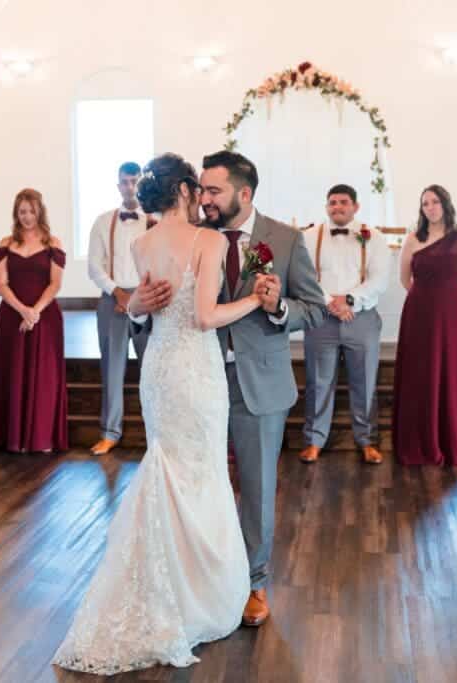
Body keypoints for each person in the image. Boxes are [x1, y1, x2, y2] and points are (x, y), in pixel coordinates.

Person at [53, 153, 271, 674]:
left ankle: (163, 586)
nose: (203, 196)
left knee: (167, 467)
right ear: (184, 192)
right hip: (196, 370)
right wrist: (255, 302)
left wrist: (134, 306)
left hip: (158, 371)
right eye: (197, 188)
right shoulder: (210, 241)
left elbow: (146, 304)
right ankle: (200, 595)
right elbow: (205, 316)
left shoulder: (141, 241)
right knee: (202, 473)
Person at [129, 150, 327, 628]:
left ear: (244, 193)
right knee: (196, 485)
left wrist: (279, 306)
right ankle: (196, 582)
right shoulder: (192, 237)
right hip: (195, 381)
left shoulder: (284, 238)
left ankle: (254, 585)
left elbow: (314, 309)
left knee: (256, 489)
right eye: (202, 190)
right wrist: (134, 307)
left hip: (257, 382)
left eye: (214, 191)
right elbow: (158, 313)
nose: (206, 199)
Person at [393, 185, 457, 467]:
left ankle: (449, 439)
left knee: (450, 372)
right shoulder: (412, 239)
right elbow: (405, 279)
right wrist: (425, 296)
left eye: (434, 202)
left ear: (445, 204)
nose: (429, 207)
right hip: (419, 313)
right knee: (420, 373)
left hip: (450, 312)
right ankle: (419, 440)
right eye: (424, 203)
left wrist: (446, 294)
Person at [299, 184, 388, 465]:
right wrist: (331, 303)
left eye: (344, 202)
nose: (338, 207)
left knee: (365, 381)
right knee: (318, 381)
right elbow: (305, 277)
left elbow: (379, 279)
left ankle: (367, 440)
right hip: (321, 317)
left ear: (356, 207)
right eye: (333, 202)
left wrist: (350, 300)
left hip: (360, 318)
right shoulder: (309, 237)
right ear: (326, 206)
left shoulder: (373, 237)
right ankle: (314, 440)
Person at [0, 188, 67, 453]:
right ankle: (14, 438)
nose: (27, 217)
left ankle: (40, 437)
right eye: (22, 211)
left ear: (39, 211)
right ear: (16, 213)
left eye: (31, 211)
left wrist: (35, 311)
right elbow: (1, 284)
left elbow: (55, 284)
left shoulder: (52, 243)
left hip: (45, 318)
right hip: (12, 317)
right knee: (12, 374)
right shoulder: (5, 243)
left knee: (44, 377)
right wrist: (23, 310)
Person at [87, 162, 153, 456]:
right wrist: (116, 292)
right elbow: (94, 266)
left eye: (135, 181)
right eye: (125, 182)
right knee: (111, 369)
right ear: (118, 186)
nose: (130, 187)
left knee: (151, 370)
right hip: (111, 301)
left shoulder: (155, 221)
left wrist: (139, 296)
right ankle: (110, 432)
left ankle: (156, 434)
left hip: (147, 301)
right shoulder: (102, 222)